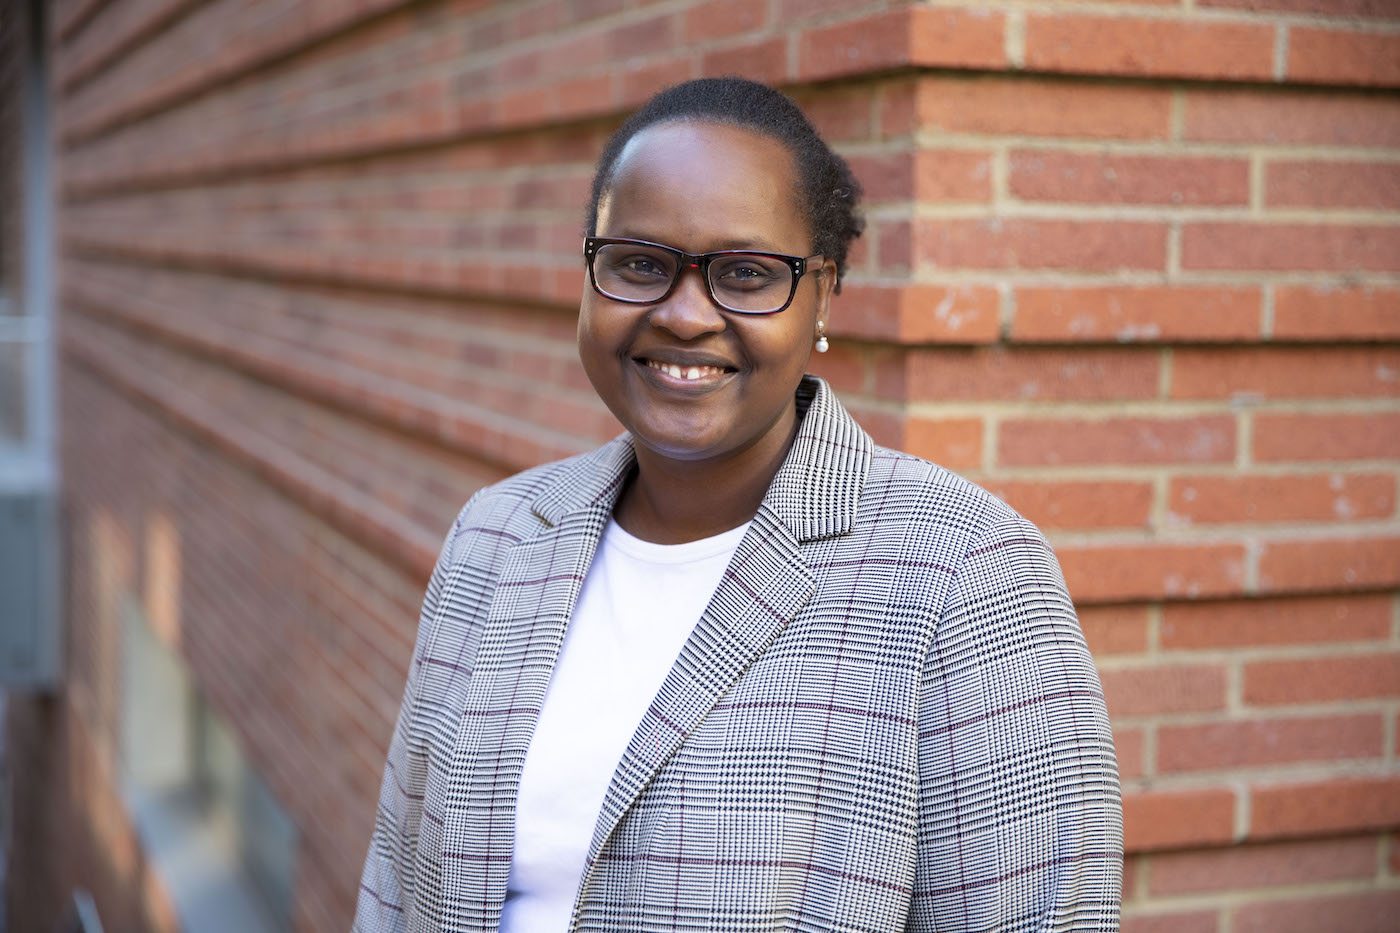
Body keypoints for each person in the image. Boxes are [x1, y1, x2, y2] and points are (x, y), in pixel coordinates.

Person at [353, 77, 1122, 933]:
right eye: (639, 263)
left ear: (823, 293)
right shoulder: (494, 536)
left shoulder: (967, 577)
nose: (685, 315)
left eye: (747, 275)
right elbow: (396, 875)